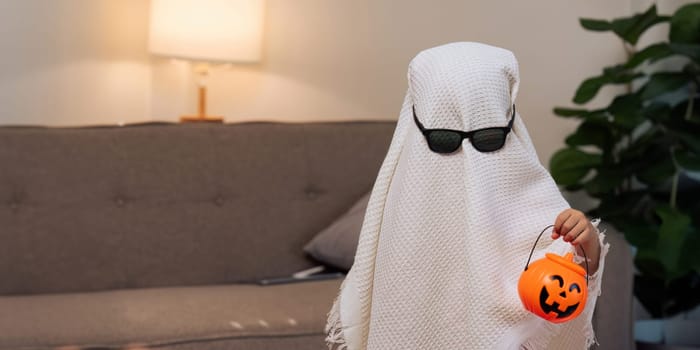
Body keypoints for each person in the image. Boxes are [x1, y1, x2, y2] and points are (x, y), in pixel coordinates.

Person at [325, 42, 609, 350]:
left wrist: (585, 240)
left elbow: (573, 273)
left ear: (508, 122)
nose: (468, 157)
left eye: (488, 139)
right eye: (443, 140)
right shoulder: (404, 201)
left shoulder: (522, 185)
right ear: (419, 125)